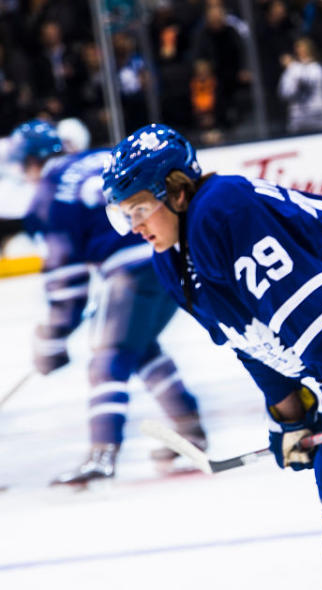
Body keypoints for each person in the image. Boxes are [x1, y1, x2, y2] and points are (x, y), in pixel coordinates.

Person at [101, 124, 322, 590]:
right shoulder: (170, 256)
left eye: (139, 208)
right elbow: (252, 341)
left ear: (177, 190)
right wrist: (291, 416)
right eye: (123, 215)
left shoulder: (223, 208)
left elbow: (308, 307)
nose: (134, 226)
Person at [4, 119, 207, 486]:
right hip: (171, 253)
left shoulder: (47, 194)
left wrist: (53, 338)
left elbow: (67, 281)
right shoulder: (99, 158)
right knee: (140, 347)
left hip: (131, 271)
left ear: (31, 162)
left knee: (108, 356)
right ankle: (191, 430)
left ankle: (102, 454)